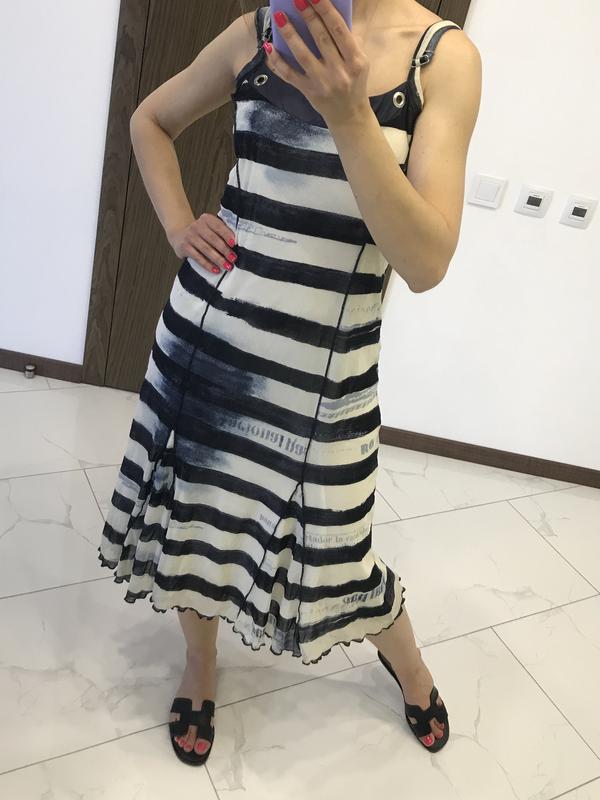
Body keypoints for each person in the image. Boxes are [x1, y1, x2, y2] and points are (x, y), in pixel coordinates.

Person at [98, 0, 481, 765]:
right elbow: (150, 121)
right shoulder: (259, 32)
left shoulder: (442, 59)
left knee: (339, 552)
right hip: (210, 346)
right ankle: (200, 662)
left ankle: (409, 667)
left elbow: (425, 263)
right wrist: (177, 224)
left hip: (327, 379)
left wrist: (349, 113)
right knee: (196, 521)